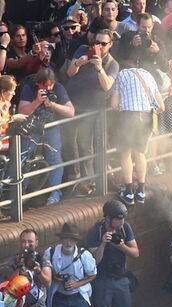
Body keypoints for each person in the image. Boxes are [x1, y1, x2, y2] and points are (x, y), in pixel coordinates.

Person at [63, 27, 117, 195]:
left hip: (91, 108)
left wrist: (100, 68)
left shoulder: (112, 63)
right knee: (70, 144)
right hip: (72, 103)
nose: (98, 47)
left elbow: (108, 86)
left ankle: (88, 182)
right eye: (96, 42)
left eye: (103, 44)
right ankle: (75, 180)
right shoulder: (82, 49)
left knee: (86, 145)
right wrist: (79, 62)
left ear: (110, 44)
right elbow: (70, 72)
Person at [110, 38, 163, 205]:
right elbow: (161, 106)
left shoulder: (121, 74)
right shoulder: (148, 75)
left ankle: (129, 192)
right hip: (146, 117)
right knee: (140, 154)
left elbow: (113, 104)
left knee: (125, 154)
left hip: (129, 117)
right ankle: (141, 191)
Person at [16, 67, 75, 205]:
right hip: (30, 128)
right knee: (25, 158)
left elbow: (71, 111)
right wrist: (37, 101)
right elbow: (22, 111)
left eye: (50, 85)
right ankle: (22, 192)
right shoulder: (29, 87)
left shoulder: (58, 88)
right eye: (44, 85)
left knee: (54, 158)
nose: (48, 88)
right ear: (38, 83)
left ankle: (55, 193)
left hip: (51, 127)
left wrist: (53, 105)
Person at [86, 199, 139, 307]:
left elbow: (135, 253)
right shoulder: (95, 231)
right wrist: (103, 243)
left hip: (121, 279)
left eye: (123, 218)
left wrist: (121, 246)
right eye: (118, 219)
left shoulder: (125, 228)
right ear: (108, 218)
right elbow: (93, 262)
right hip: (102, 281)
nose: (122, 222)